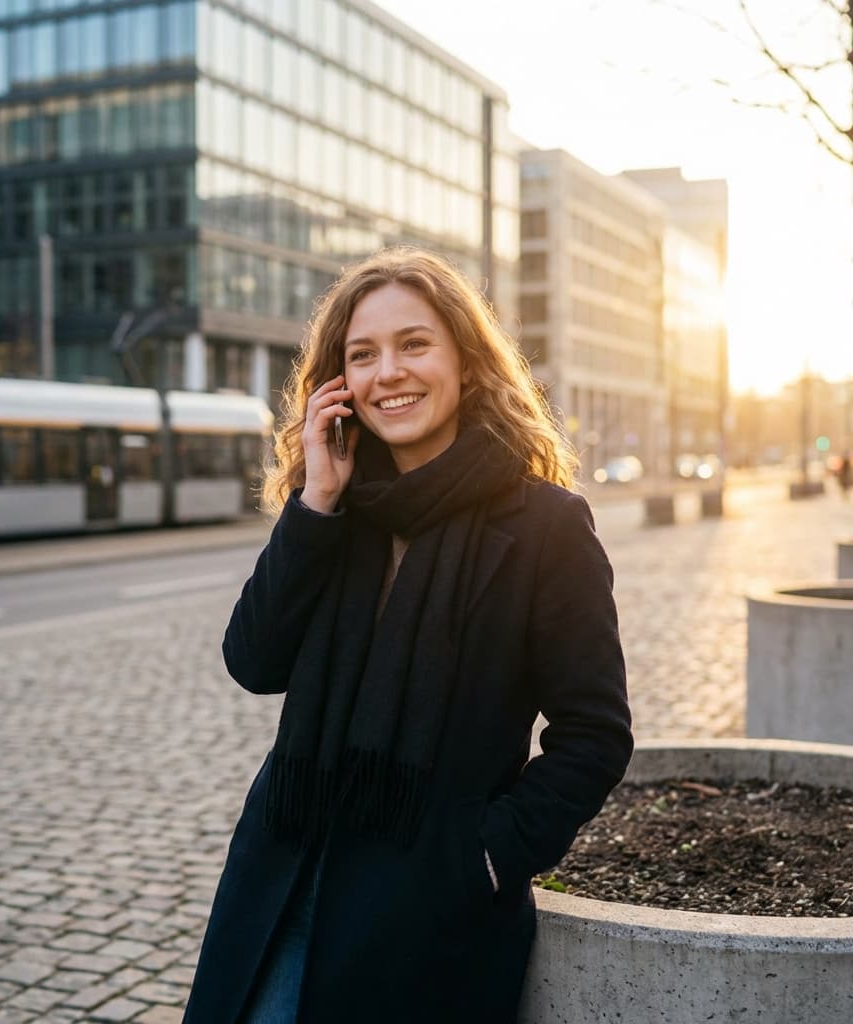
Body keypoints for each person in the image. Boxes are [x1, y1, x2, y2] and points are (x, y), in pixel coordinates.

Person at [183, 247, 633, 1024]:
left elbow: (594, 734)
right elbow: (254, 661)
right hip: (284, 876)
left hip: (429, 906)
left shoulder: (544, 527)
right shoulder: (335, 511)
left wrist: (489, 857)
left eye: (414, 344)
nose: (388, 372)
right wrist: (314, 506)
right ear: (339, 384)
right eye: (363, 355)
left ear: (465, 359)